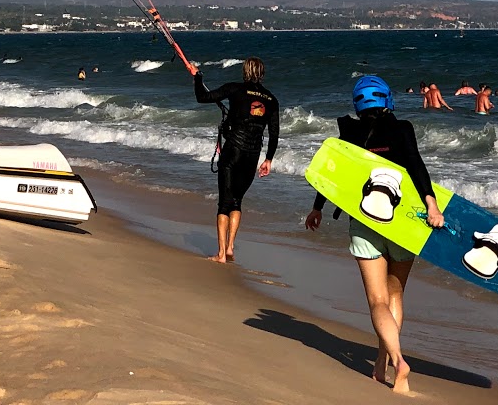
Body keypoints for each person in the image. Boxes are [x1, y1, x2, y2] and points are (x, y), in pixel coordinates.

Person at [305, 75, 443, 395]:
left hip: (365, 223)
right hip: (403, 224)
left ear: (358, 104)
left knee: (377, 299)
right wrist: (431, 205)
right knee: (395, 295)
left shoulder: (348, 132)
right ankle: (384, 362)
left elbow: (332, 175)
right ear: (387, 101)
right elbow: (416, 165)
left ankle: (393, 360)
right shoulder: (402, 128)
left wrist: (317, 209)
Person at [186, 57, 279, 265]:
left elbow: (203, 97)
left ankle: (220, 254)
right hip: (253, 154)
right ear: (262, 74)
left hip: (233, 151)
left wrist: (197, 77)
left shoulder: (235, 89)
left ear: (245, 72)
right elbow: (274, 134)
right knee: (237, 201)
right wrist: (268, 160)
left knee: (224, 203)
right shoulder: (272, 100)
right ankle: (229, 248)